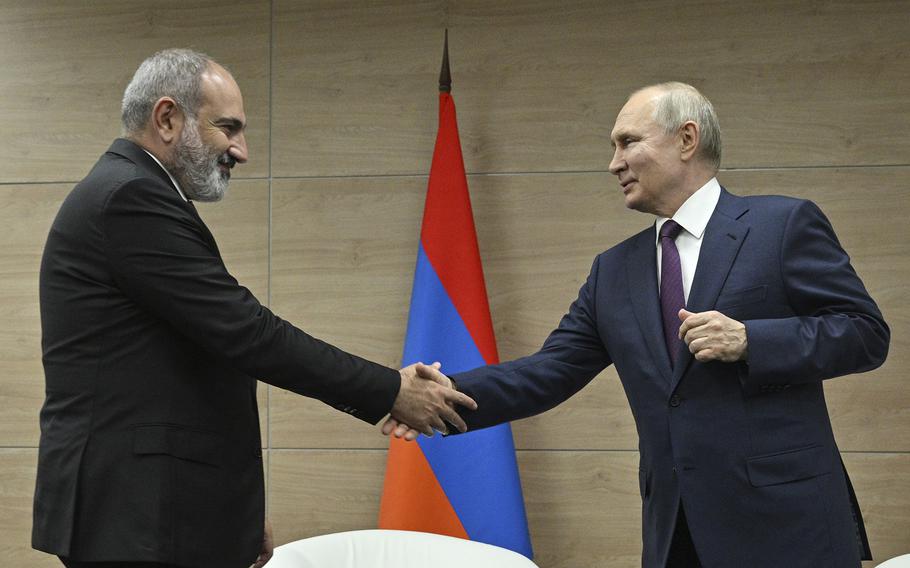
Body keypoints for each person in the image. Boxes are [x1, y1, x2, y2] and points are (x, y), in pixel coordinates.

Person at [385, 82, 890, 567]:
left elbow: (865, 332)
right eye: (612, 146)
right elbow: (549, 371)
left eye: (628, 142)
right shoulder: (614, 270)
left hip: (788, 527)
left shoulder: (782, 226)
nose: (614, 163)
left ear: (687, 139)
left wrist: (752, 340)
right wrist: (442, 394)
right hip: (675, 532)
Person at [33, 48, 473, 568]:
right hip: (135, 517)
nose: (240, 151)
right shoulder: (130, 198)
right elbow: (249, 333)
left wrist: (233, 509)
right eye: (228, 128)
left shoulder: (131, 191)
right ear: (168, 118)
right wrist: (391, 391)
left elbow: (200, 366)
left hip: (158, 512)